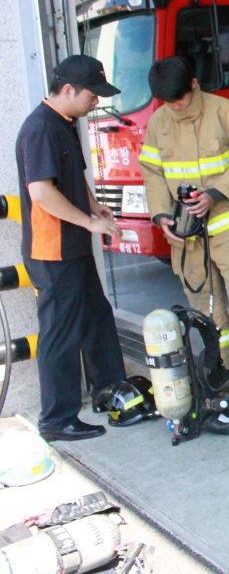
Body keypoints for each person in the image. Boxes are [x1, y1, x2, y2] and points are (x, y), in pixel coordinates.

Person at [138, 57, 229, 403]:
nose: (175, 107)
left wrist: (215, 193)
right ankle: (225, 366)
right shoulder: (158, 122)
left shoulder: (224, 110)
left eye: (179, 100)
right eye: (167, 102)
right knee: (204, 304)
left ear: (195, 84)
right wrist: (160, 216)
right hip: (187, 233)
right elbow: (152, 173)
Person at [16, 55, 127, 441]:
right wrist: (88, 222)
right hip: (53, 251)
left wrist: (94, 205)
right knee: (60, 335)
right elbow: (42, 192)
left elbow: (72, 178)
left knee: (97, 316)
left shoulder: (66, 124)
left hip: (73, 246)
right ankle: (57, 420)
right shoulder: (40, 130)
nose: (96, 101)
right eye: (92, 95)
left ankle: (111, 391)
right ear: (68, 90)